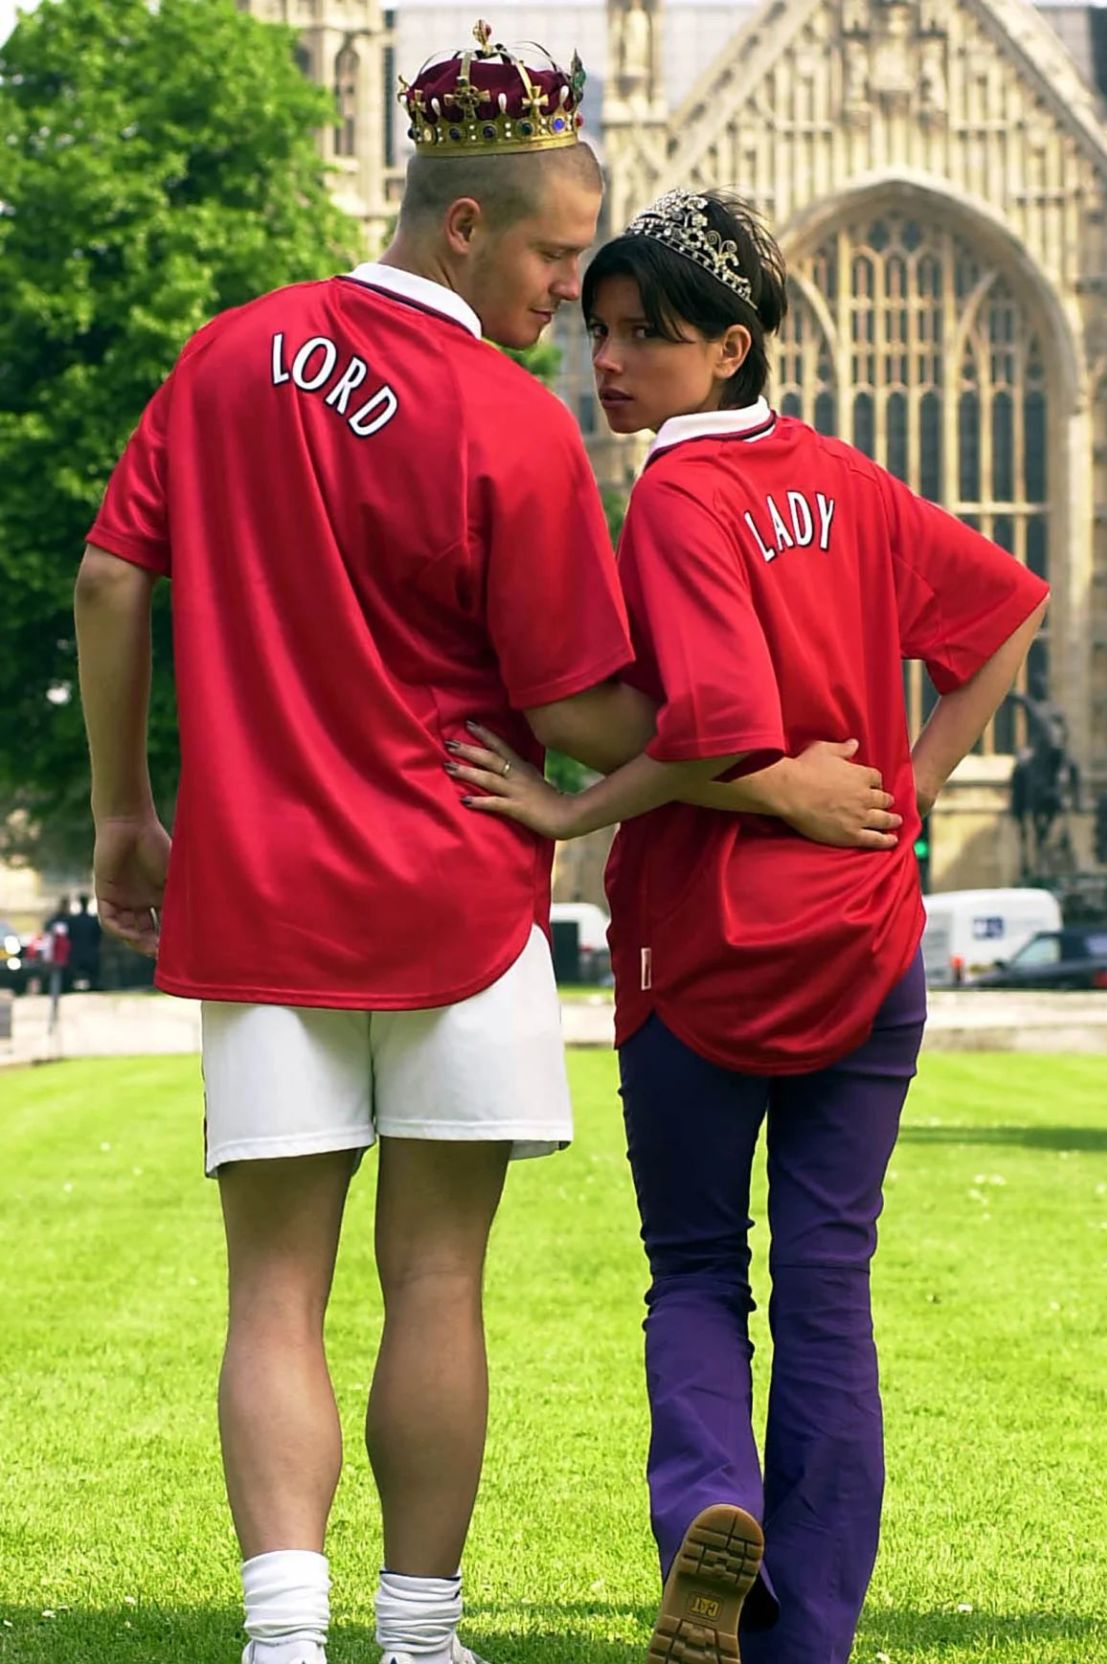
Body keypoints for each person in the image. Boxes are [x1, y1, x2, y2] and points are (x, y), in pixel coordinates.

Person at [74, 24, 648, 1664]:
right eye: (552, 251)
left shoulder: (226, 353)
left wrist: (129, 808)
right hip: (460, 894)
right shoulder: (512, 419)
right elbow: (585, 710)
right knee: (438, 1279)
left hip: (255, 890)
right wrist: (741, 733)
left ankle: (281, 1632)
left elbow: (115, 578)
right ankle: (420, 1626)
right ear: (463, 227)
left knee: (273, 1286)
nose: (564, 290)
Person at [439, 189, 1050, 1664]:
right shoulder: (845, 480)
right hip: (866, 945)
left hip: (709, 945)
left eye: (644, 336)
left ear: (728, 350)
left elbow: (715, 724)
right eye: (596, 332)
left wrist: (569, 812)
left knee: (702, 1272)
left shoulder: (677, 499)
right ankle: (805, 1635)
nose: (609, 360)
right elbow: (1009, 611)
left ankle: (712, 1506)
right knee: (830, 1287)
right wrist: (906, 791)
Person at [68, 893, 102, 991]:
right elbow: (98, 936)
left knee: (75, 970)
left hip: (76, 951)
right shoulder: (93, 920)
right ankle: (93, 984)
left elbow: (70, 936)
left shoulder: (73, 920)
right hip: (90, 950)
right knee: (92, 972)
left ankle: (73, 985)